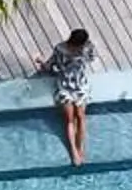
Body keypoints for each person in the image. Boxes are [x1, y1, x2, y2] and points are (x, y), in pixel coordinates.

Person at [38, 26, 94, 163]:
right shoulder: (61, 49)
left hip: (80, 85)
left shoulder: (87, 48)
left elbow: (50, 66)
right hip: (65, 85)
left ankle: (80, 148)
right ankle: (74, 150)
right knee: (70, 119)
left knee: (80, 117)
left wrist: (42, 62)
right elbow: (50, 65)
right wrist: (41, 62)